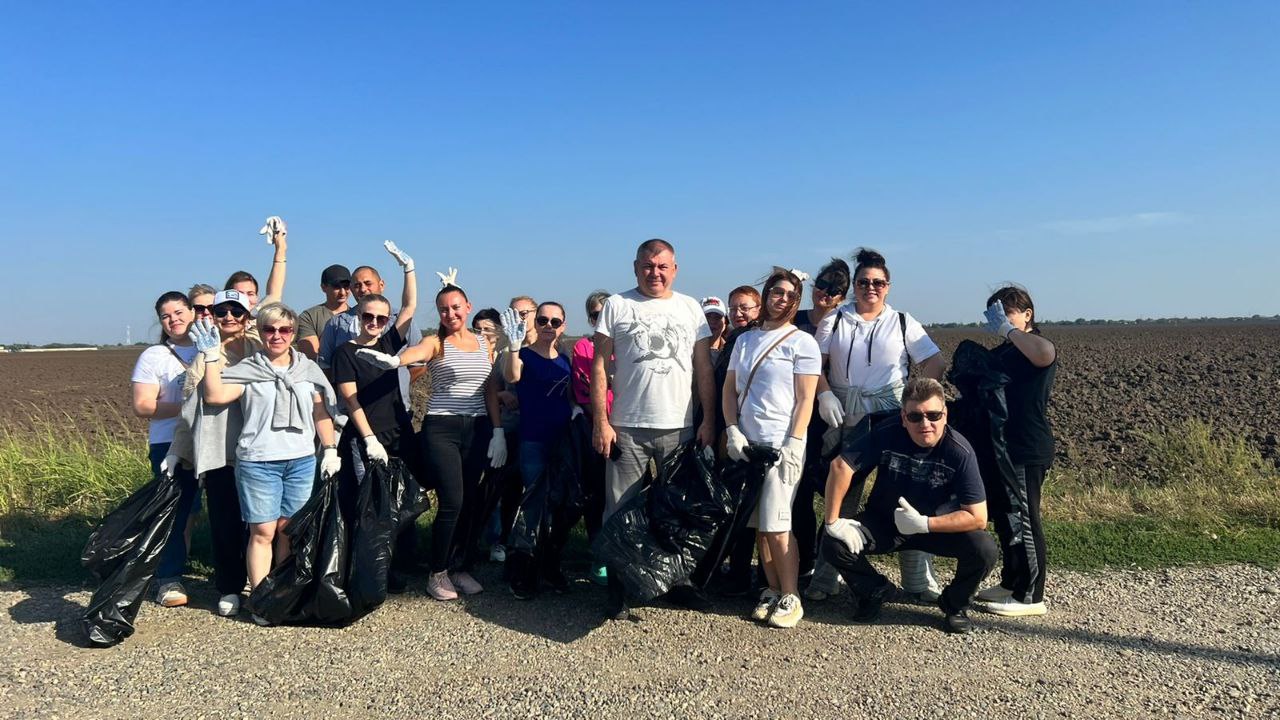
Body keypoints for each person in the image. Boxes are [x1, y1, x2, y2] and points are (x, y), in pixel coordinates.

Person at [812, 248, 946, 603]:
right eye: (863, 282)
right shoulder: (835, 320)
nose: (870, 288)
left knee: (906, 495)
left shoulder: (902, 321)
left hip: (891, 417)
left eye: (878, 283)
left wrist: (916, 401)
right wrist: (825, 395)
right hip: (846, 415)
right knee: (842, 494)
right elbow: (814, 366)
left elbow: (934, 361)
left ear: (888, 286)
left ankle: (918, 580)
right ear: (854, 285)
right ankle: (826, 576)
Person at [354, 284, 505, 601]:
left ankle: (459, 566)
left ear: (467, 307)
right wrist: (395, 361)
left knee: (471, 500)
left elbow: (490, 390)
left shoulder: (483, 343)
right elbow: (417, 353)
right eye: (443, 309)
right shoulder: (436, 341)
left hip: (478, 428)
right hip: (442, 428)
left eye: (456, 307)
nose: (450, 314)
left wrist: (498, 430)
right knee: (452, 500)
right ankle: (437, 572)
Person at [592, 238, 716, 619]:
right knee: (619, 509)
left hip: (679, 425)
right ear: (636, 268)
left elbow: (703, 368)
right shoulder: (617, 305)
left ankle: (677, 581)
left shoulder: (690, 308)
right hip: (627, 425)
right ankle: (618, 587)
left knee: (677, 510)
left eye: (662, 266)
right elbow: (599, 366)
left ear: (675, 269)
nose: (655, 273)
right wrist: (601, 421)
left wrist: (709, 419)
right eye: (648, 266)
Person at [820, 378, 997, 634]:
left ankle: (955, 604)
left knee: (984, 549)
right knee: (832, 542)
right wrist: (832, 521)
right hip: (886, 523)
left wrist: (925, 524)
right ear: (903, 417)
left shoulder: (960, 452)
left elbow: (978, 517)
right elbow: (840, 466)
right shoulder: (887, 431)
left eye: (933, 415)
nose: (925, 424)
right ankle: (874, 590)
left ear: (945, 415)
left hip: (934, 529)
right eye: (915, 417)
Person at [190, 304, 341, 599]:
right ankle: (261, 597)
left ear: (293, 333)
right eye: (269, 329)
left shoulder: (307, 370)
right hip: (258, 461)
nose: (277, 335)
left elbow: (320, 412)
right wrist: (210, 357)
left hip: (300, 461)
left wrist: (330, 449)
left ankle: (282, 594)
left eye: (284, 329)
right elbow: (214, 396)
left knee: (289, 530)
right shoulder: (248, 370)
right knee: (263, 531)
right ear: (260, 332)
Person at [722, 270, 820, 628]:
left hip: (782, 444)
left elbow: (805, 398)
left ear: (796, 302)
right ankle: (773, 589)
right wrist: (732, 429)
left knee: (778, 523)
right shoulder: (745, 341)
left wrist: (794, 441)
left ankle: (792, 595)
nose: (782, 299)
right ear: (765, 294)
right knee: (760, 525)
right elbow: (729, 389)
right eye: (777, 291)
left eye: (790, 295)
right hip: (749, 444)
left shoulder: (802, 343)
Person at [331, 242, 422, 592]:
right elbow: (350, 399)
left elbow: (410, 307)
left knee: (398, 500)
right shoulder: (346, 352)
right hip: (364, 438)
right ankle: (367, 572)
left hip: (397, 432)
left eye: (381, 319)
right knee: (369, 504)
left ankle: (396, 564)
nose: (374, 323)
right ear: (358, 317)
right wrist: (368, 438)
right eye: (368, 317)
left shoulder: (387, 346)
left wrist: (408, 268)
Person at [170, 289, 258, 617]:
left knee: (263, 524)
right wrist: (178, 451)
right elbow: (189, 410)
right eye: (222, 312)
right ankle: (230, 586)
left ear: (247, 316)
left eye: (237, 311)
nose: (229, 317)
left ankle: (263, 583)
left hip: (261, 452)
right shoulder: (205, 356)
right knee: (226, 522)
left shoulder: (262, 348)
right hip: (223, 454)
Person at [973, 286, 1056, 617]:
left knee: (1025, 517)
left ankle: (1031, 596)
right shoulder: (1006, 352)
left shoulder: (1034, 346)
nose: (999, 320)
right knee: (1007, 518)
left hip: (1027, 446)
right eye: (994, 315)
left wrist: (1009, 329)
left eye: (1006, 312)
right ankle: (1012, 582)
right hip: (1001, 447)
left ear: (1027, 314)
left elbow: (1045, 353)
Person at [499, 301, 576, 598]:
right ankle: (522, 570)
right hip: (533, 440)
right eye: (543, 320)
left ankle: (549, 566)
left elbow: (570, 396)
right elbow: (512, 376)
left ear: (563, 326)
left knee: (558, 506)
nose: (548, 326)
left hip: (561, 441)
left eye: (555, 322)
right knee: (532, 505)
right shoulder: (524, 356)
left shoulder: (565, 360)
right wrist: (513, 346)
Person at [131, 291, 200, 608]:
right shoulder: (154, 356)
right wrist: (191, 406)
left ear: (192, 312)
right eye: (166, 316)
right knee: (173, 512)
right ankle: (168, 578)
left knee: (218, 510)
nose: (174, 319)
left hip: (212, 441)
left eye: (179, 312)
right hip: (169, 442)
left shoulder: (209, 346)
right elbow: (143, 405)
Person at [789, 258, 850, 596]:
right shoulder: (795, 320)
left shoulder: (845, 324)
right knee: (797, 493)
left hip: (832, 418)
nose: (826, 293)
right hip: (795, 414)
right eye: (822, 286)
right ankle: (804, 560)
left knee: (830, 491)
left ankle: (829, 563)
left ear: (843, 296)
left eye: (835, 290)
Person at [484, 295, 538, 564]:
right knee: (503, 487)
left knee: (534, 488)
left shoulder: (553, 349)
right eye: (515, 314)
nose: (521, 319)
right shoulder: (506, 353)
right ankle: (498, 540)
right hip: (511, 429)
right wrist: (503, 396)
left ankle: (530, 541)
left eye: (525, 313)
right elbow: (492, 391)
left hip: (539, 430)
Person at [571, 290, 612, 584]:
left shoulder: (627, 344)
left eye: (608, 312)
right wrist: (603, 423)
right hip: (598, 429)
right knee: (597, 494)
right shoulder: (584, 348)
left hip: (630, 429)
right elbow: (584, 392)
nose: (603, 319)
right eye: (597, 315)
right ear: (590, 319)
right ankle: (599, 554)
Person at [222, 216, 288, 312]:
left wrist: (280, 248)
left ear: (257, 297)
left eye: (250, 294)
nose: (245, 298)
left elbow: (273, 295)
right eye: (240, 294)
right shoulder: (217, 316)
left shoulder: (257, 317)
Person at [296, 264, 353, 360]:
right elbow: (313, 357)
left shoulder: (360, 316)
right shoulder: (309, 317)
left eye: (346, 286)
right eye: (336, 287)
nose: (342, 292)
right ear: (323, 287)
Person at [702, 296, 729, 362]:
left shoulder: (733, 350)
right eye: (707, 317)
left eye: (717, 317)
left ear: (725, 324)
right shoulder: (686, 351)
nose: (712, 321)